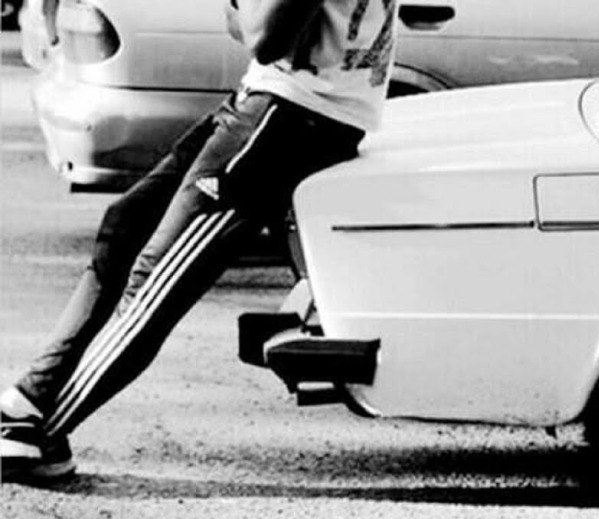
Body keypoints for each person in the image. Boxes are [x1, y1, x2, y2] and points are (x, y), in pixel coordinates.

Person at [1, 0, 397, 482]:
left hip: (292, 117)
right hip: (271, 102)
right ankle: (30, 397)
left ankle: (38, 437)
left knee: (156, 281)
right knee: (124, 226)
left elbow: (263, 37)